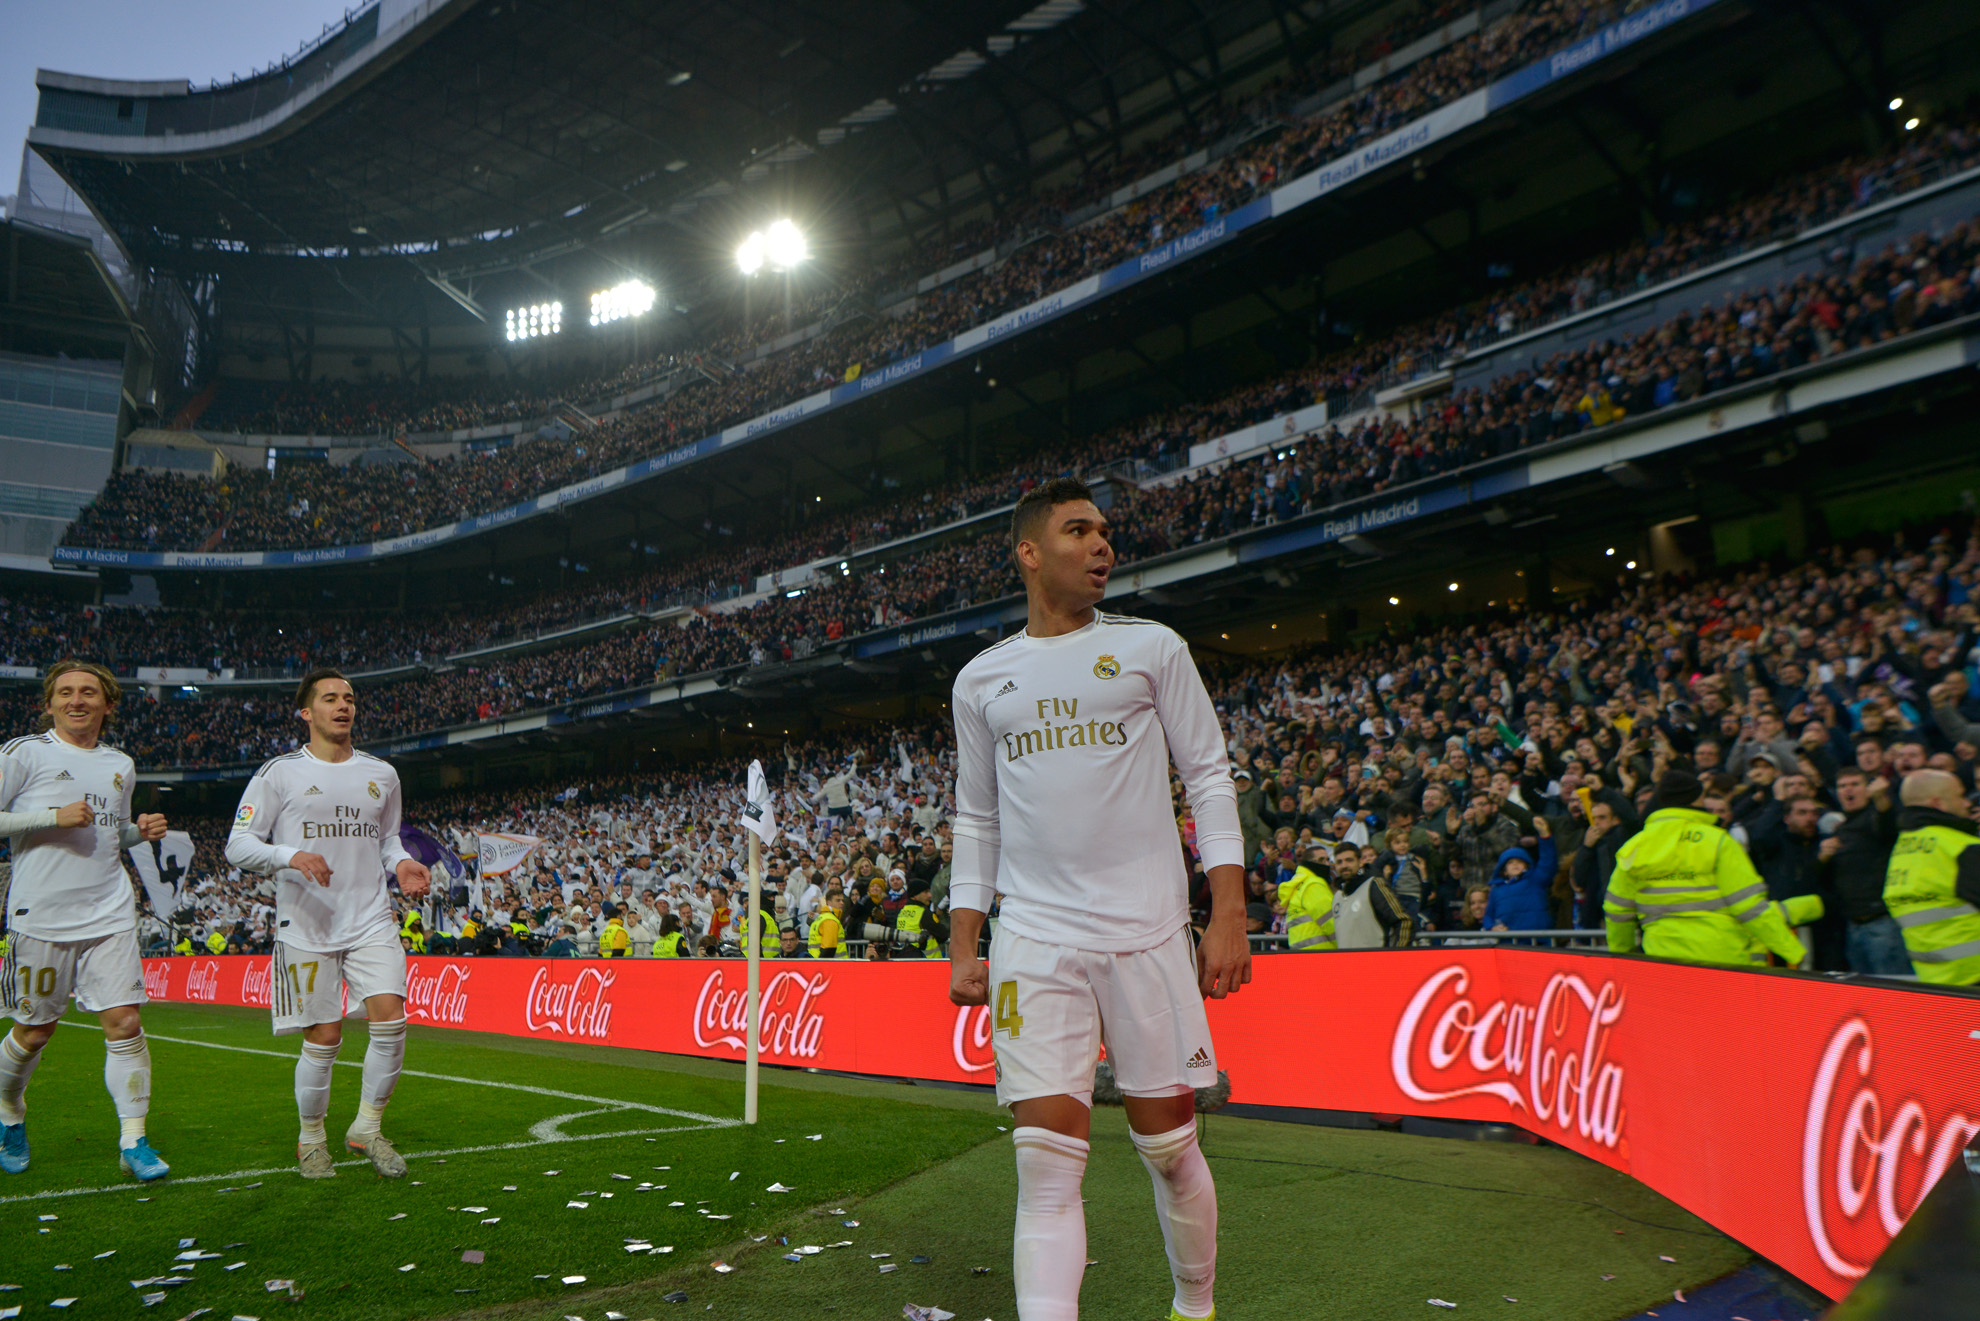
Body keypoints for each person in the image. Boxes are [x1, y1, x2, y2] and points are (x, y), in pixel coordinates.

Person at [948, 478, 1248, 1321]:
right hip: (1034, 940)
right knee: (1045, 1167)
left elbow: (1210, 777)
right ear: (1030, 551)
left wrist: (1227, 911)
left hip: (1148, 935)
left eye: (1107, 532)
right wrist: (965, 940)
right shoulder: (982, 679)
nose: (1103, 545)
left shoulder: (1154, 649)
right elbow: (977, 816)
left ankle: (1195, 1305)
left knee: (1169, 1148)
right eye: (1079, 530)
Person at [224, 668, 432, 1180]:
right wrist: (291, 856)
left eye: (350, 699)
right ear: (306, 712)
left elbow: (388, 841)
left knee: (391, 1020)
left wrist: (401, 863)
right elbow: (239, 844)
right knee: (325, 1034)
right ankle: (311, 1138)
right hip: (307, 924)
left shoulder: (381, 774)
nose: (343, 706)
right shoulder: (279, 773)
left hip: (370, 919)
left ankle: (366, 1127)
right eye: (330, 699)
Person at [0, 661, 172, 1181]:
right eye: (66, 692)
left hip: (109, 910)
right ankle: (9, 1113)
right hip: (42, 913)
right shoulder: (24, 753)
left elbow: (108, 833)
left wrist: (138, 832)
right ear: (49, 703)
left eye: (89, 693)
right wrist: (51, 816)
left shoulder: (121, 763)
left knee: (125, 1023)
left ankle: (133, 1139)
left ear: (107, 704)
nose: (77, 700)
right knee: (34, 1031)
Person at [1604, 769, 1806, 968]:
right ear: (1694, 799)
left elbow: (1617, 911)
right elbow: (1750, 907)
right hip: (1722, 960)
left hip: (1663, 962)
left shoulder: (1634, 846)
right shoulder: (1717, 841)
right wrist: (1793, 952)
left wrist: (1623, 958)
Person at [1883, 769, 1980, 986]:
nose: (1967, 804)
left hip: (1935, 983)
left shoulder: (1903, 848)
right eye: (1960, 796)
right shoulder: (1961, 848)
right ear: (1938, 803)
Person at [1822, 767, 1911, 975]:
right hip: (1853, 925)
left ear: (1868, 789)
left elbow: (1888, 826)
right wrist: (1822, 859)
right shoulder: (1841, 829)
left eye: (1854, 784)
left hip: (1882, 923)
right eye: (1842, 786)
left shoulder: (1874, 817)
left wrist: (1881, 799)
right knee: (1865, 995)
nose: (1847, 790)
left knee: (1893, 992)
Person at [1482, 817, 1556, 940]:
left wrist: (1545, 837)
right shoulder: (1496, 889)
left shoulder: (1535, 879)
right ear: (1504, 870)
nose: (1515, 865)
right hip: (1509, 943)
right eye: (1510, 862)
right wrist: (1491, 928)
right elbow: (1488, 915)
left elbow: (1548, 861)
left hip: (1538, 942)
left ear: (1526, 865)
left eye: (1519, 862)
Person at [1278, 844, 1336, 951]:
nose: (1327, 864)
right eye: (1321, 860)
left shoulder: (1298, 885)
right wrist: (1347, 945)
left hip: (1303, 955)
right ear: (1309, 863)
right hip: (1322, 955)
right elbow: (1330, 922)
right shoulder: (1313, 885)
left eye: (1328, 860)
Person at [807, 894, 848, 958]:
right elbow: (828, 948)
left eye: (842, 900)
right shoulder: (830, 920)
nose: (841, 903)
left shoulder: (820, 919)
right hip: (834, 965)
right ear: (828, 903)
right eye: (838, 900)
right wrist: (820, 965)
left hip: (815, 961)